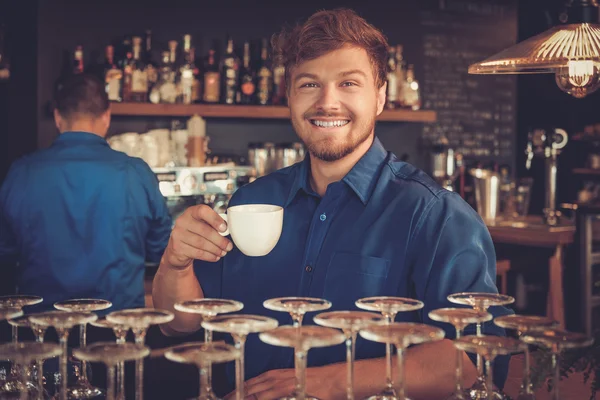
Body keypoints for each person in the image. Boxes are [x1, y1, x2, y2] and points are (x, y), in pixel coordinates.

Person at [153, 8, 512, 399]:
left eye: (348, 84)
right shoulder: (251, 202)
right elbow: (180, 323)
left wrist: (323, 382)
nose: (327, 102)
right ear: (288, 95)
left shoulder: (435, 215)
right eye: (309, 84)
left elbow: (478, 358)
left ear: (380, 96)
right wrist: (176, 261)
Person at [0, 73, 172, 312]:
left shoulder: (22, 172)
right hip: (117, 330)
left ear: (58, 117)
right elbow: (162, 250)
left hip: (41, 331)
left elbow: (5, 254)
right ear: (107, 117)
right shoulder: (136, 173)